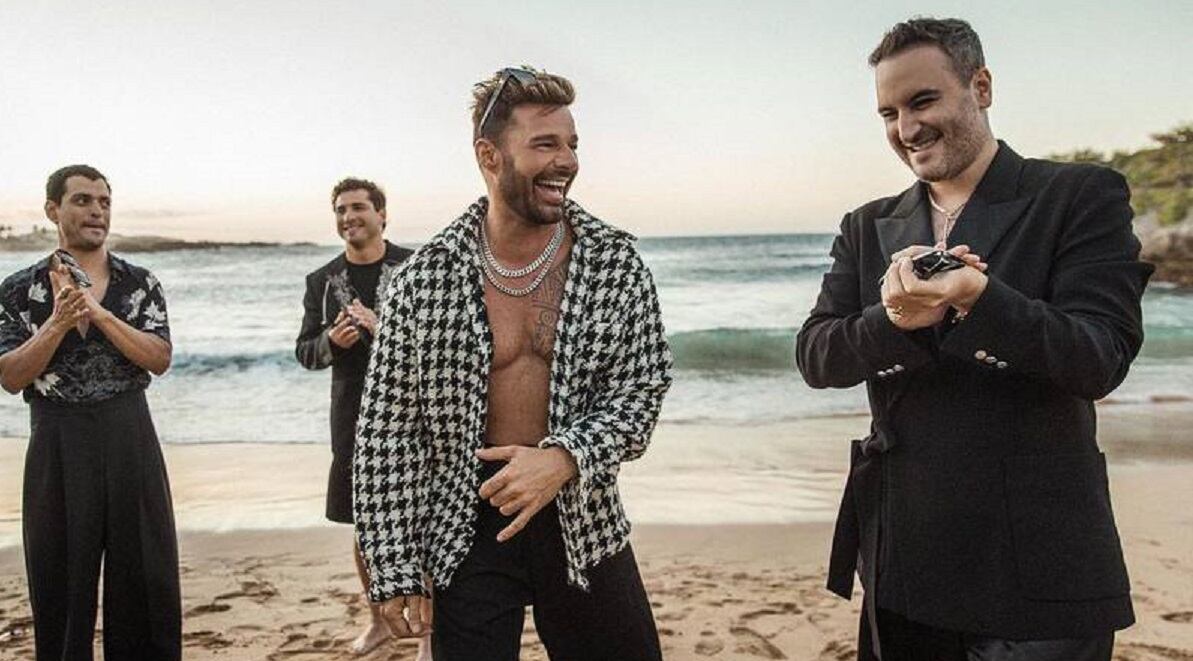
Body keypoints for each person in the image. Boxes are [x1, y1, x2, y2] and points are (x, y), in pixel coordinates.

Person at [795, 18, 1153, 661]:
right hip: (905, 556)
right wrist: (895, 320)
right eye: (889, 113)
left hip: (1040, 561)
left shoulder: (1077, 194)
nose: (907, 129)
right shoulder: (866, 224)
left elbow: (1099, 357)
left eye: (923, 101)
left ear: (980, 87)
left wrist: (978, 298)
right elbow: (816, 356)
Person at [353, 67, 672, 660]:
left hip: (582, 514)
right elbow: (388, 431)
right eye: (545, 144)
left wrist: (564, 457)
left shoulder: (614, 262)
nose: (566, 161)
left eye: (572, 144)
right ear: (489, 155)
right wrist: (392, 561)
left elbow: (642, 389)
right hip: (464, 523)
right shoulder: (423, 281)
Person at [0, 165, 180, 660]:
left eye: (104, 201)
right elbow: (11, 376)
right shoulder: (18, 290)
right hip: (57, 440)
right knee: (59, 585)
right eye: (82, 200)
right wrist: (59, 322)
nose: (97, 211)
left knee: (145, 581)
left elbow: (159, 358)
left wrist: (99, 314)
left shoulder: (139, 283)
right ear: (52, 210)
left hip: (130, 436)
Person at [294, 177, 421, 656]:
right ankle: (379, 622)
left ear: (382, 214)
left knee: (424, 520)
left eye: (358, 208)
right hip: (353, 416)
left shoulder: (417, 268)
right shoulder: (321, 281)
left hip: (416, 411)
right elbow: (305, 352)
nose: (349, 217)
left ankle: (429, 635)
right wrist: (331, 341)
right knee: (366, 523)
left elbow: (446, 341)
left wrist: (381, 328)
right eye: (341, 210)